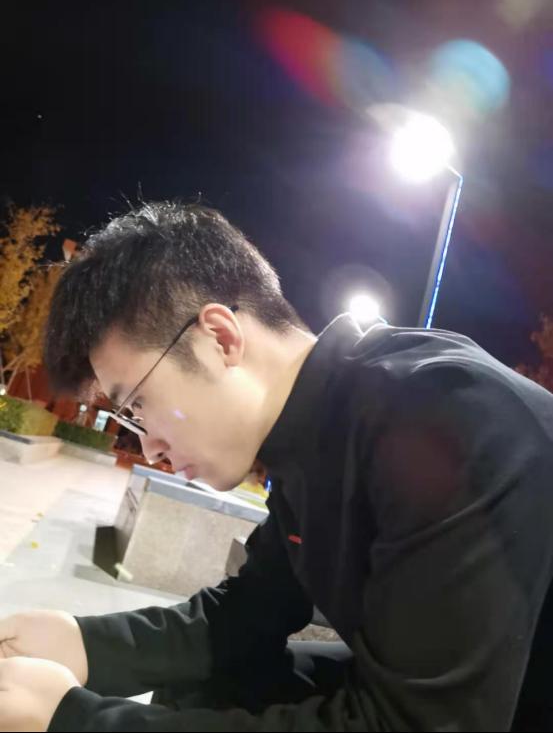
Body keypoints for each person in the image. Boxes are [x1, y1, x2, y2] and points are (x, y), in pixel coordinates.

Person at [1, 202, 552, 732]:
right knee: (211, 685)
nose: (148, 449)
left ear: (220, 338)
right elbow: (245, 617)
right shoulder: (313, 440)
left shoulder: (447, 417)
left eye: (138, 405)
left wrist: (77, 720)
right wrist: (79, 642)